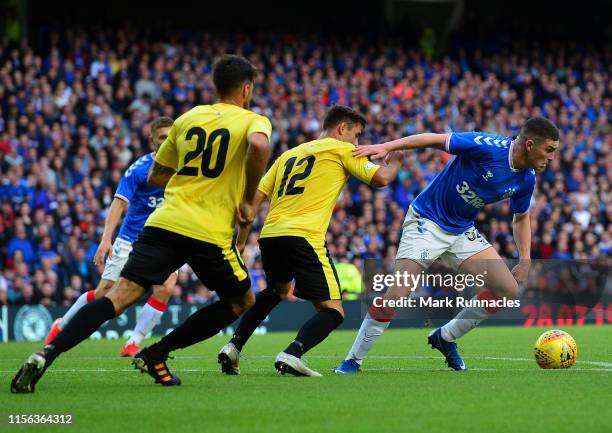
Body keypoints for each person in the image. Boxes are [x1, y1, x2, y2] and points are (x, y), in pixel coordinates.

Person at [11, 54, 272, 393]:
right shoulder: (254, 120)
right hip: (208, 230)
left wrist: (190, 181)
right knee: (242, 301)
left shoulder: (187, 118)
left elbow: (156, 174)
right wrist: (249, 198)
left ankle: (47, 353)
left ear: (215, 86)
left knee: (117, 297)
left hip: (163, 221)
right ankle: (158, 352)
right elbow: (258, 144)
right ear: (246, 90)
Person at [335, 117, 559, 373]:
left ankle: (445, 337)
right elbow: (435, 139)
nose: (551, 157)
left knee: (506, 289)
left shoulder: (526, 179)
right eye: (549, 150)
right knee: (398, 293)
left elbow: (521, 218)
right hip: (427, 220)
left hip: (461, 230)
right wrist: (387, 146)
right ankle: (353, 359)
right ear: (530, 144)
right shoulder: (487, 146)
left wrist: (526, 259)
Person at [217, 105, 402, 377]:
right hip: (303, 236)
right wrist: (396, 160)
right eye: (357, 135)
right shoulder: (341, 149)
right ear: (342, 129)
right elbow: (382, 178)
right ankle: (292, 353)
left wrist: (241, 241)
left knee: (276, 291)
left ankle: (233, 346)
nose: (358, 143)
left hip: (270, 236)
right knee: (334, 311)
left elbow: (252, 202)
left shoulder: (287, 156)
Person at [43, 117, 178, 358]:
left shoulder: (184, 170)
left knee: (166, 287)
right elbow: (118, 204)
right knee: (105, 293)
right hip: (131, 239)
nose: (167, 141)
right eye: (162, 138)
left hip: (163, 241)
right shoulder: (139, 170)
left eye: (171, 137)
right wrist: (106, 240)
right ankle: (61, 325)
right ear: (152, 140)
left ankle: (133, 342)